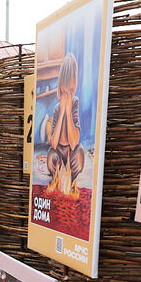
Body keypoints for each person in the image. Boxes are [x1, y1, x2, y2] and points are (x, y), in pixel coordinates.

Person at [45, 53, 84, 196]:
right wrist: (62, 112)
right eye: (64, 92)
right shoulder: (57, 108)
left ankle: (71, 182)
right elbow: (54, 143)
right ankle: (55, 180)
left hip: (71, 150)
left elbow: (73, 143)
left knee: (79, 156)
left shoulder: (75, 103)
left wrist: (68, 112)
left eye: (71, 91)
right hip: (59, 149)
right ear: (60, 90)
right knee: (50, 157)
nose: (67, 96)